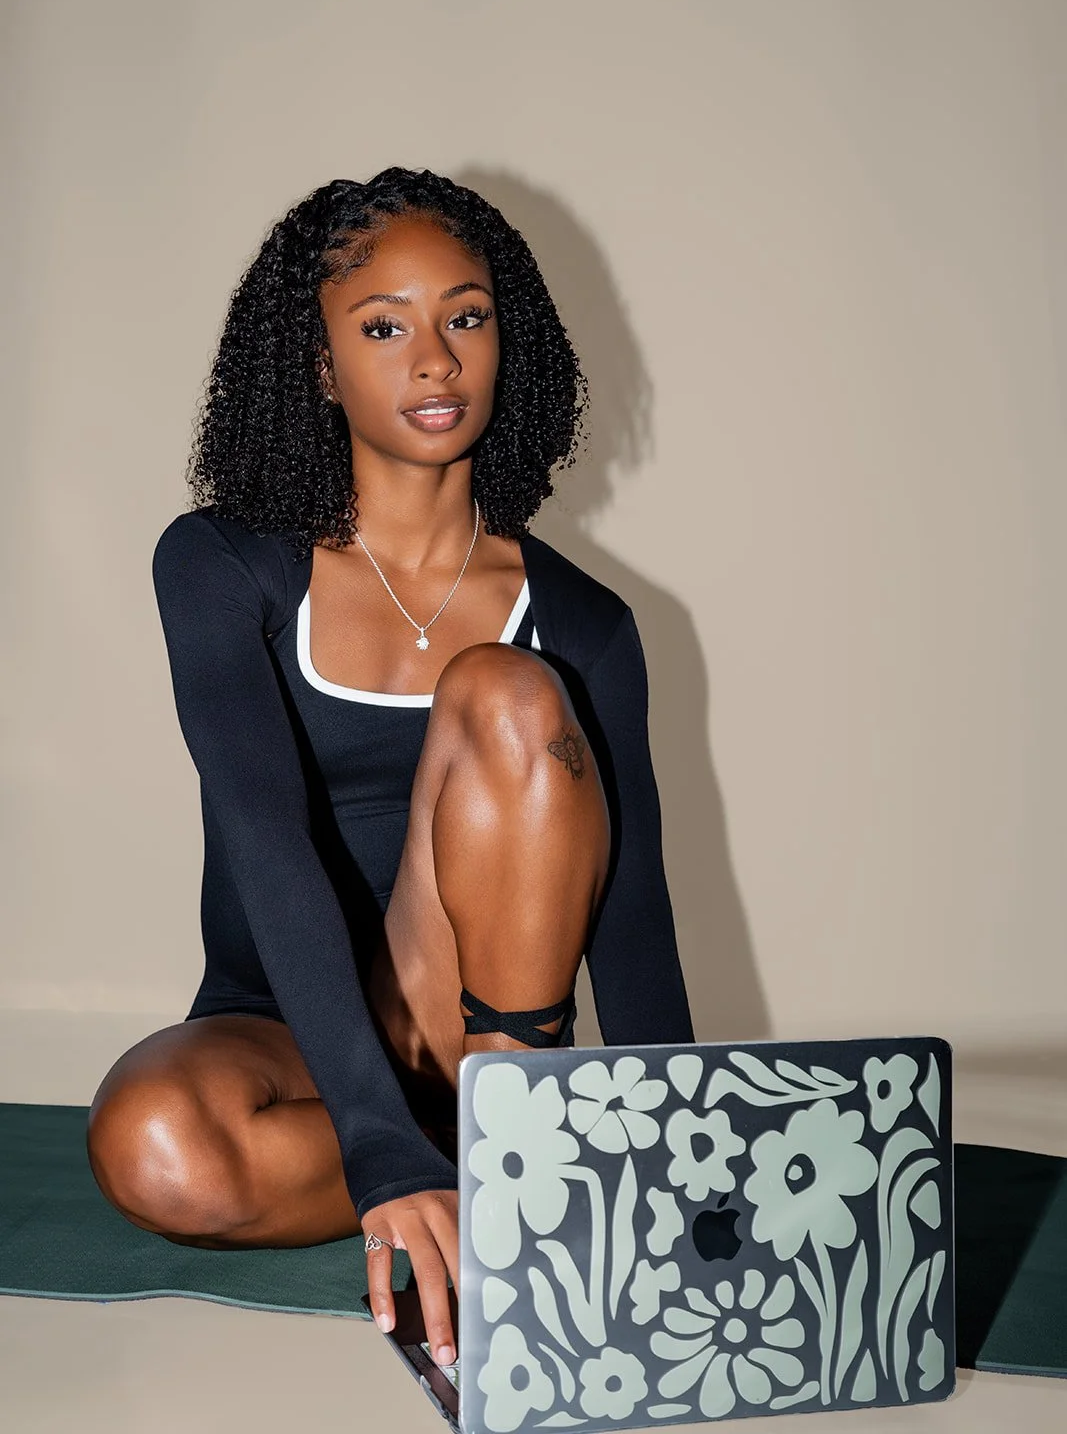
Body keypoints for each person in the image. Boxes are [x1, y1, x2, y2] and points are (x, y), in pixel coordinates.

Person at [86, 167, 693, 1369]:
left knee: (505, 691)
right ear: (318, 365)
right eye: (382, 326)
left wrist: (675, 1149)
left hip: (477, 1023)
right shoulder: (222, 565)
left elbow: (629, 913)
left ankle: (514, 1136)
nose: (434, 358)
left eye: (465, 317)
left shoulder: (584, 622)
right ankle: (473, 1165)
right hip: (284, 1021)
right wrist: (375, 1144)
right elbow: (264, 839)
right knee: (152, 1141)